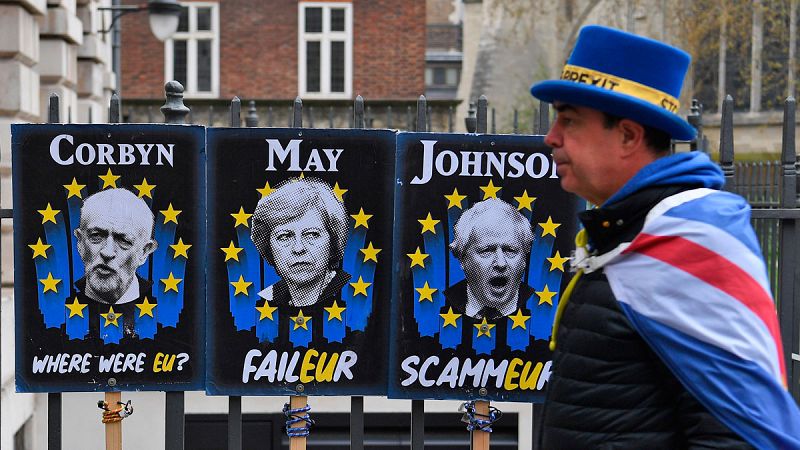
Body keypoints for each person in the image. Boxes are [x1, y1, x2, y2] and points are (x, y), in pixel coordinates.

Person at [530, 25, 800, 448]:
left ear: (627, 136)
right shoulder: (628, 233)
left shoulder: (683, 243)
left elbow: (738, 434)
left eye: (568, 120)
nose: (551, 138)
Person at [251, 178, 350, 308]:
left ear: (332, 242)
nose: (298, 248)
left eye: (312, 234)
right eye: (284, 236)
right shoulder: (263, 302)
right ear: (269, 248)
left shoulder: (354, 295)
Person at [73, 188, 158, 337]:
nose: (107, 252)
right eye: (96, 236)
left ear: (144, 252)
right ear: (80, 242)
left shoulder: (163, 314)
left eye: (124, 241)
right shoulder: (58, 313)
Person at [445, 198, 533, 320]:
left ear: (524, 259)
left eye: (510, 250)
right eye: (487, 250)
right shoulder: (441, 303)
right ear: (462, 259)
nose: (501, 263)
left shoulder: (539, 304)